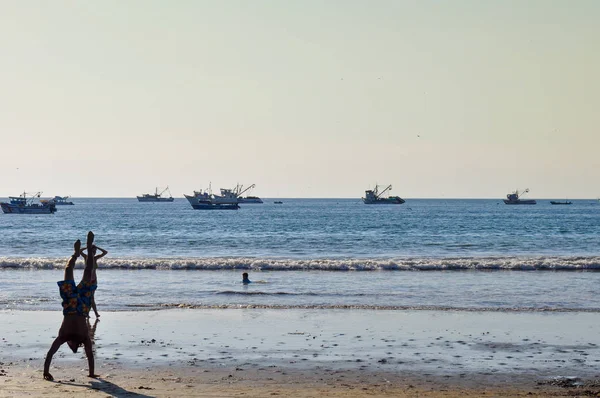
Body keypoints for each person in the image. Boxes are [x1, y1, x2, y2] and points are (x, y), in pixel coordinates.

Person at [43, 231, 99, 381]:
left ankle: (75, 254)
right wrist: (91, 373)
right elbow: (90, 356)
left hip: (69, 304)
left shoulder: (63, 336)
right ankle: (87, 248)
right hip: (82, 307)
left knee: (68, 270)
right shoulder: (84, 338)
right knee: (88, 271)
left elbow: (50, 353)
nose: (71, 345)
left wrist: (45, 371)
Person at [81, 244, 107, 318]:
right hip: (87, 280)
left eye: (95, 251)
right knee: (90, 297)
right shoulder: (86, 257)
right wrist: (87, 247)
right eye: (93, 251)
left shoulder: (95, 258)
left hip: (94, 280)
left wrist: (97, 247)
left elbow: (105, 252)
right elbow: (79, 251)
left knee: (91, 297)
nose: (94, 252)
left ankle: (87, 313)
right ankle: (95, 313)